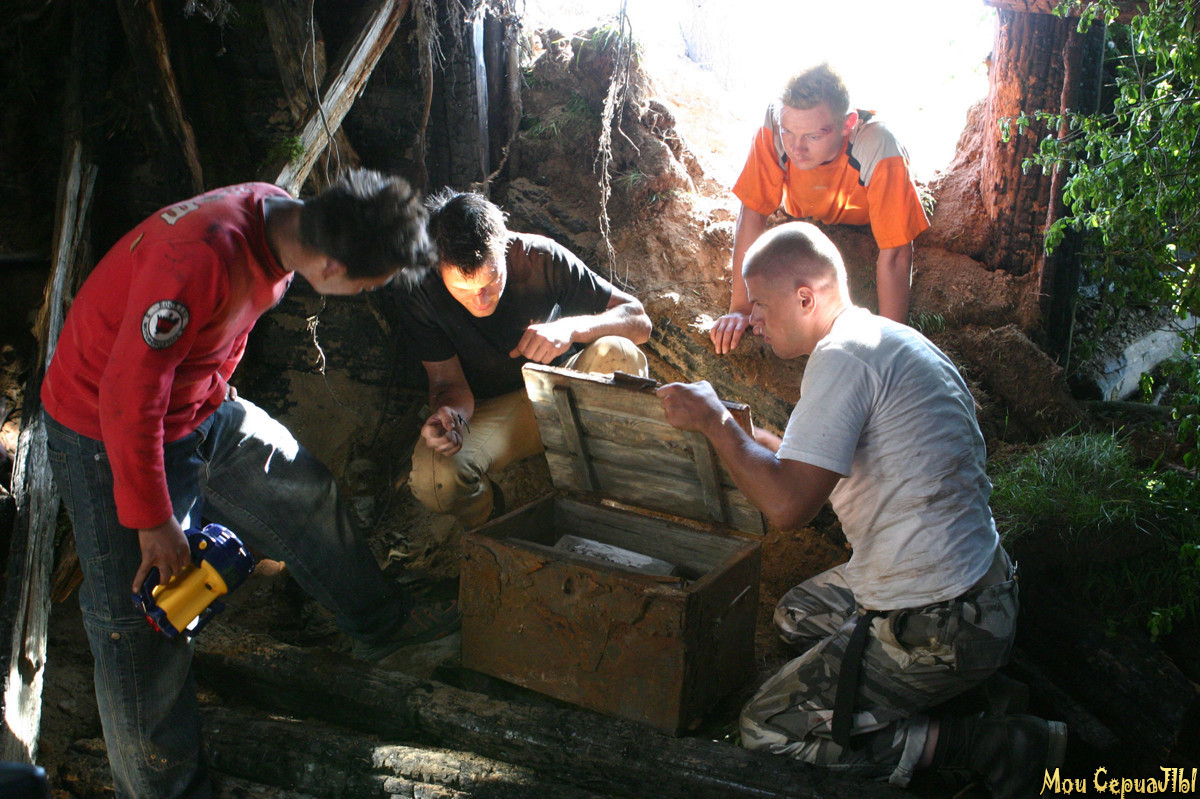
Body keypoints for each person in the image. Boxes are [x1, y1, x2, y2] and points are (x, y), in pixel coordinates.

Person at [41, 169, 461, 799]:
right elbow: (128, 395)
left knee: (303, 489)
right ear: (330, 264)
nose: (365, 294)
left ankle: (382, 627)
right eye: (367, 285)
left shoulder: (281, 220)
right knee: (144, 622)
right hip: (106, 427)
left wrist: (216, 388)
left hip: (198, 404)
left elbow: (221, 328)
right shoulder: (196, 258)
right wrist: (153, 519)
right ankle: (164, 791)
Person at [658, 222, 1065, 798]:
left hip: (942, 618)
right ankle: (955, 691)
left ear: (806, 297)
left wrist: (715, 422)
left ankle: (988, 744)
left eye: (760, 304)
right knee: (796, 615)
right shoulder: (882, 340)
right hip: (979, 589)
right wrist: (744, 436)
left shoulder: (843, 359)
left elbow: (788, 506)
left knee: (765, 729)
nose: (753, 319)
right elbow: (805, 462)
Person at [387, 190, 652, 528]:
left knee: (619, 353)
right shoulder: (420, 289)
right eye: (464, 291)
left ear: (505, 247)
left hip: (565, 389)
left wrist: (569, 329)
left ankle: (617, 483)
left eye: (491, 281)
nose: (481, 300)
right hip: (498, 412)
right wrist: (450, 416)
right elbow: (447, 382)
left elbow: (639, 321)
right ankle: (495, 525)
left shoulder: (539, 257)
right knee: (435, 478)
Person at [710, 62, 929, 354]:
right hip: (802, 212)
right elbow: (753, 210)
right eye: (789, 132)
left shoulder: (879, 145)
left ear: (848, 124)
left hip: (864, 221)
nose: (796, 148)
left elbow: (897, 254)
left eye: (813, 136)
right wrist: (740, 307)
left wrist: (890, 345)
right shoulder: (775, 125)